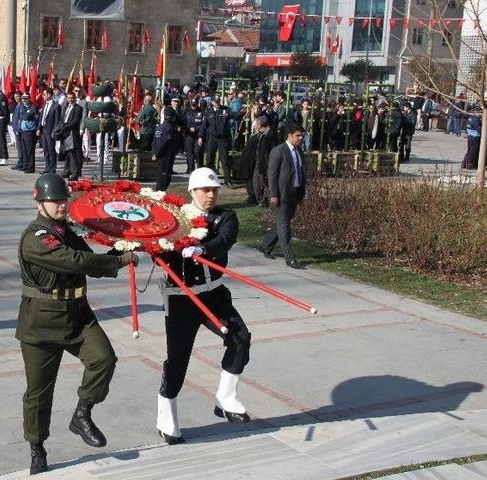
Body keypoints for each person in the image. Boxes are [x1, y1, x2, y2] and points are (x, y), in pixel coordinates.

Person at [16, 173, 138, 475]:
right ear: (38, 200)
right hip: (40, 324)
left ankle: (82, 414)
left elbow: (87, 259)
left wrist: (120, 250)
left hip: (77, 314)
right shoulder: (36, 237)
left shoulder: (66, 231)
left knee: (104, 359)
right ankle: (37, 447)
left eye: (63, 200)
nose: (60, 205)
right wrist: (118, 262)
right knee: (39, 392)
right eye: (54, 200)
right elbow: (74, 262)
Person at [156, 167, 252, 445]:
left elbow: (225, 239)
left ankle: (225, 397)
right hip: (181, 299)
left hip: (213, 294)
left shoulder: (225, 217)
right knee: (178, 360)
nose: (210, 195)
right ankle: (166, 417)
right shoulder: (174, 218)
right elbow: (156, 242)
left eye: (214, 190)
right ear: (192, 191)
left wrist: (203, 248)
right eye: (205, 190)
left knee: (240, 338)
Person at [259, 124, 307, 269]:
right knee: (284, 226)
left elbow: (300, 171)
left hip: (295, 193)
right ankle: (289, 258)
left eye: (302, 136)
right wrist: (273, 194)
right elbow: (272, 174)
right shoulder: (278, 151)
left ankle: (265, 246)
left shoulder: (299, 151)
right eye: (298, 135)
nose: (300, 138)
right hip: (281, 195)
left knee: (282, 223)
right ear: (290, 135)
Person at [55, 91, 84, 180]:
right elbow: (62, 118)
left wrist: (66, 126)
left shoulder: (78, 108)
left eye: (72, 98)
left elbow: (75, 121)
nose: (70, 100)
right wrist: (60, 128)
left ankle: (74, 173)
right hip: (65, 133)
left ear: (75, 98)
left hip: (72, 133)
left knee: (72, 153)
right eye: (69, 98)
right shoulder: (65, 107)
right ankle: (66, 171)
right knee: (66, 152)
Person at [204, 96, 232, 186]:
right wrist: (201, 136)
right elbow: (204, 125)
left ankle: (228, 181)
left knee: (225, 160)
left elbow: (235, 115)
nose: (217, 103)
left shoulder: (225, 110)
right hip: (212, 137)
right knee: (209, 158)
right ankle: (209, 180)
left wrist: (242, 113)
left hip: (223, 138)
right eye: (215, 101)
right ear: (212, 102)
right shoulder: (208, 112)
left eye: (218, 101)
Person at [242, 116, 270, 205]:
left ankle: (261, 200)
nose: (255, 126)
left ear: (259, 125)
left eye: (256, 124)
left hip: (261, 163)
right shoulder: (258, 135)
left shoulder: (267, 136)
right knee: (255, 181)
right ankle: (257, 198)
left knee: (261, 182)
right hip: (254, 162)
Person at [14, 93, 40, 173]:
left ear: (29, 99)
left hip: (30, 131)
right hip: (22, 130)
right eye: (23, 99)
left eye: (26, 99)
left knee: (29, 150)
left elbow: (31, 117)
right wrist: (18, 130)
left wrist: (37, 129)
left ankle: (30, 167)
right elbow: (20, 119)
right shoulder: (21, 107)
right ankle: (25, 165)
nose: (24, 100)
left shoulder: (33, 107)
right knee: (24, 149)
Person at [38, 87, 61, 174]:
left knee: (51, 150)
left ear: (49, 95)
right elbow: (42, 117)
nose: (43, 96)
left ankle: (52, 168)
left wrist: (54, 131)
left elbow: (57, 120)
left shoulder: (56, 106)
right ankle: (47, 167)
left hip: (50, 130)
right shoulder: (45, 104)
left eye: (44, 94)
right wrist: (39, 128)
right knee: (46, 150)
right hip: (44, 130)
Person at [184, 98, 206, 172]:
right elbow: (184, 123)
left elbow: (203, 125)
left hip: (198, 135)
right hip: (189, 135)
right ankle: (191, 170)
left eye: (195, 105)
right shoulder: (186, 112)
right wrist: (188, 128)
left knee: (197, 151)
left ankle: (200, 169)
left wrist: (198, 133)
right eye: (192, 105)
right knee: (189, 152)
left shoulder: (202, 112)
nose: (193, 106)